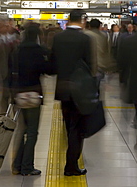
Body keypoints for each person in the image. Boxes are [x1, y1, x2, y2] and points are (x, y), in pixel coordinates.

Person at [51, 9, 92, 176]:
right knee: (78, 128)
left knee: (68, 125)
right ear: (82, 20)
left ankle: (71, 162)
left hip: (62, 87)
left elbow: (53, 62)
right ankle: (71, 165)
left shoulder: (58, 37)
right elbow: (89, 65)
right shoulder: (85, 39)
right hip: (79, 89)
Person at [12, 24, 52, 176]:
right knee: (32, 131)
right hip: (34, 93)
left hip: (19, 93)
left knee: (22, 130)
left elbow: (11, 72)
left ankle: (17, 164)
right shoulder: (39, 51)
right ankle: (27, 166)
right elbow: (49, 70)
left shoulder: (17, 50)